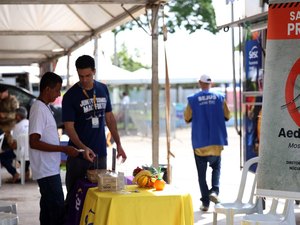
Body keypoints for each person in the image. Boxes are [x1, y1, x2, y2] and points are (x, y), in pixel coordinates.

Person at [62, 55, 127, 207]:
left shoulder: (102, 89)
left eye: (88, 75)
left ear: (94, 72)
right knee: (74, 198)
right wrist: (83, 148)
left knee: (100, 198)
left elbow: (109, 118)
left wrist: (119, 144)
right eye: (81, 76)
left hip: (100, 155)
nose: (84, 80)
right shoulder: (71, 96)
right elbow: (69, 127)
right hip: (78, 155)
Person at [28, 72, 86, 225]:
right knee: (57, 210)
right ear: (47, 89)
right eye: (56, 90)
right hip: (46, 170)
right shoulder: (38, 109)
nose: (58, 94)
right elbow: (34, 142)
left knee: (48, 209)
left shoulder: (44, 107)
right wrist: (63, 149)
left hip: (49, 168)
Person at [184, 74, 231, 212]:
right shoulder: (219, 97)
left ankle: (205, 203)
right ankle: (214, 192)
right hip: (216, 142)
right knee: (216, 168)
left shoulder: (193, 99)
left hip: (200, 143)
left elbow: (187, 118)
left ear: (200, 83)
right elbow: (228, 116)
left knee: (201, 175)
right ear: (211, 83)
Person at [0, 84, 20, 183]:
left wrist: (4, 115)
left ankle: (21, 172)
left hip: (11, 128)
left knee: (15, 152)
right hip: (2, 129)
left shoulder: (13, 100)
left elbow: (17, 114)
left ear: (5, 92)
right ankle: (15, 173)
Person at [7, 107, 31, 181]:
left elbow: (14, 145)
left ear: (18, 116)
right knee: (24, 153)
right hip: (33, 151)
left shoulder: (16, 127)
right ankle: (26, 171)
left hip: (21, 153)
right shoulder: (31, 123)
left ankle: (14, 173)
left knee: (3, 157)